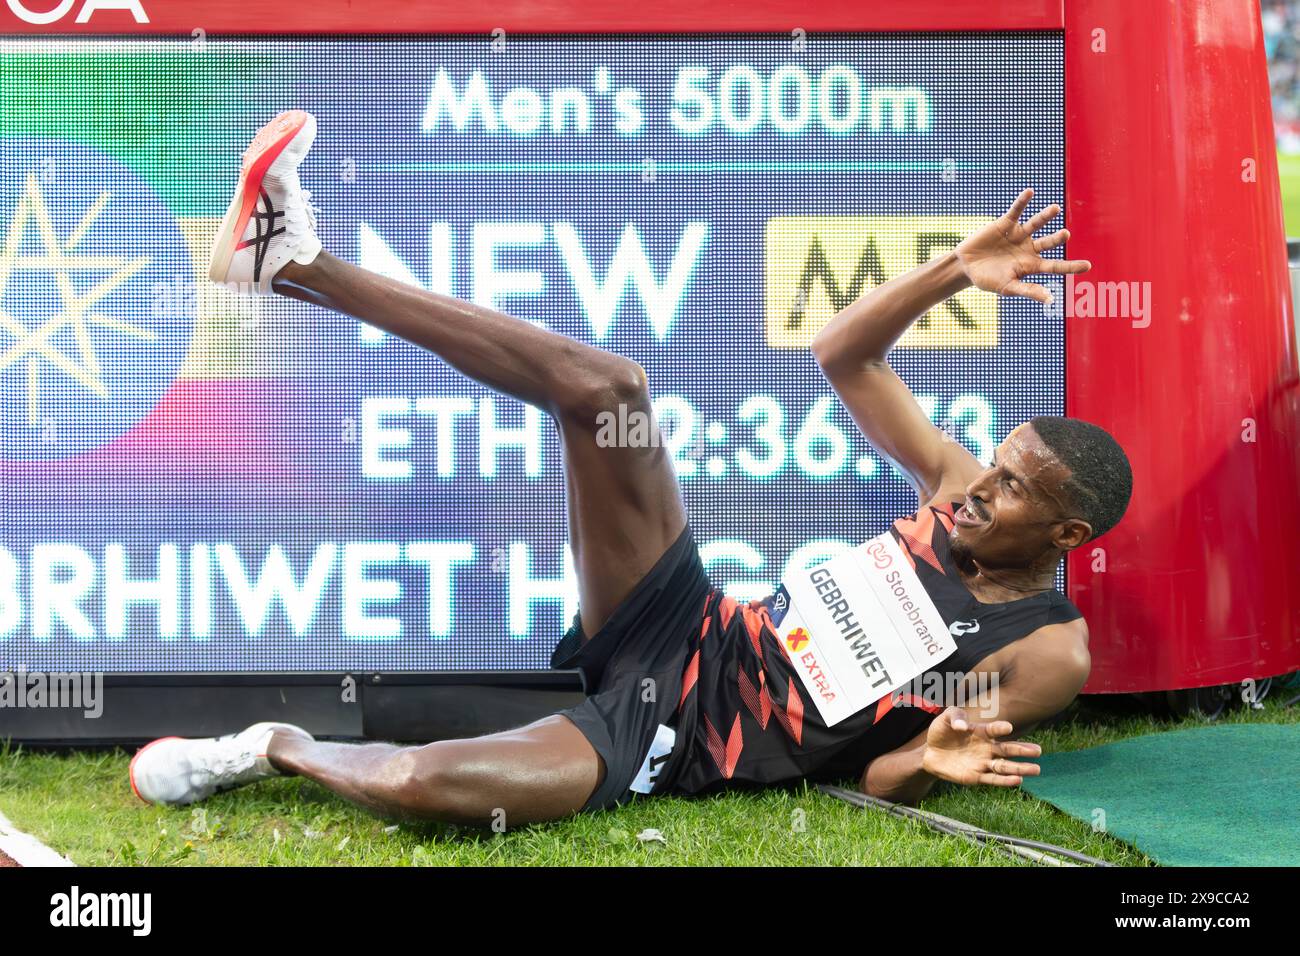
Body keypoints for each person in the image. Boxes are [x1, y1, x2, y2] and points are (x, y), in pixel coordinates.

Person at [130, 111, 1132, 824]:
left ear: (1065, 534)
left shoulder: (1047, 650)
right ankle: (290, 258)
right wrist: (953, 266)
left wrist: (925, 753)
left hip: (687, 730)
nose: (978, 489)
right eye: (993, 465)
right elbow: (843, 353)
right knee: (610, 390)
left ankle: (271, 745)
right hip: (689, 618)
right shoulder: (950, 486)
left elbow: (883, 778)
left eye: (1012, 488)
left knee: (423, 786)